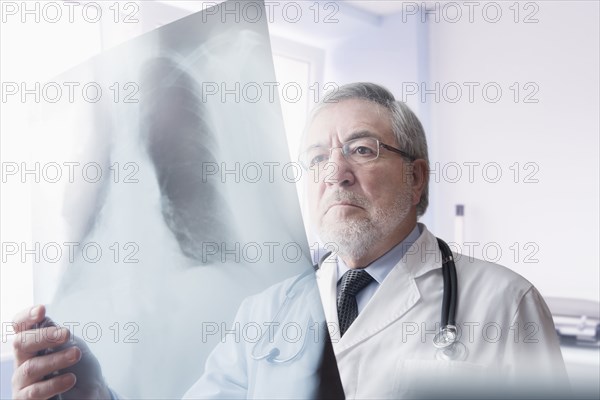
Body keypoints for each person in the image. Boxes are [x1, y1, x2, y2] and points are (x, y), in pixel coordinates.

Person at [11, 82, 569, 399]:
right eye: (317, 158)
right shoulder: (266, 313)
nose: (336, 172)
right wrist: (89, 393)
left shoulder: (502, 302)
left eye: (362, 149)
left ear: (417, 176)